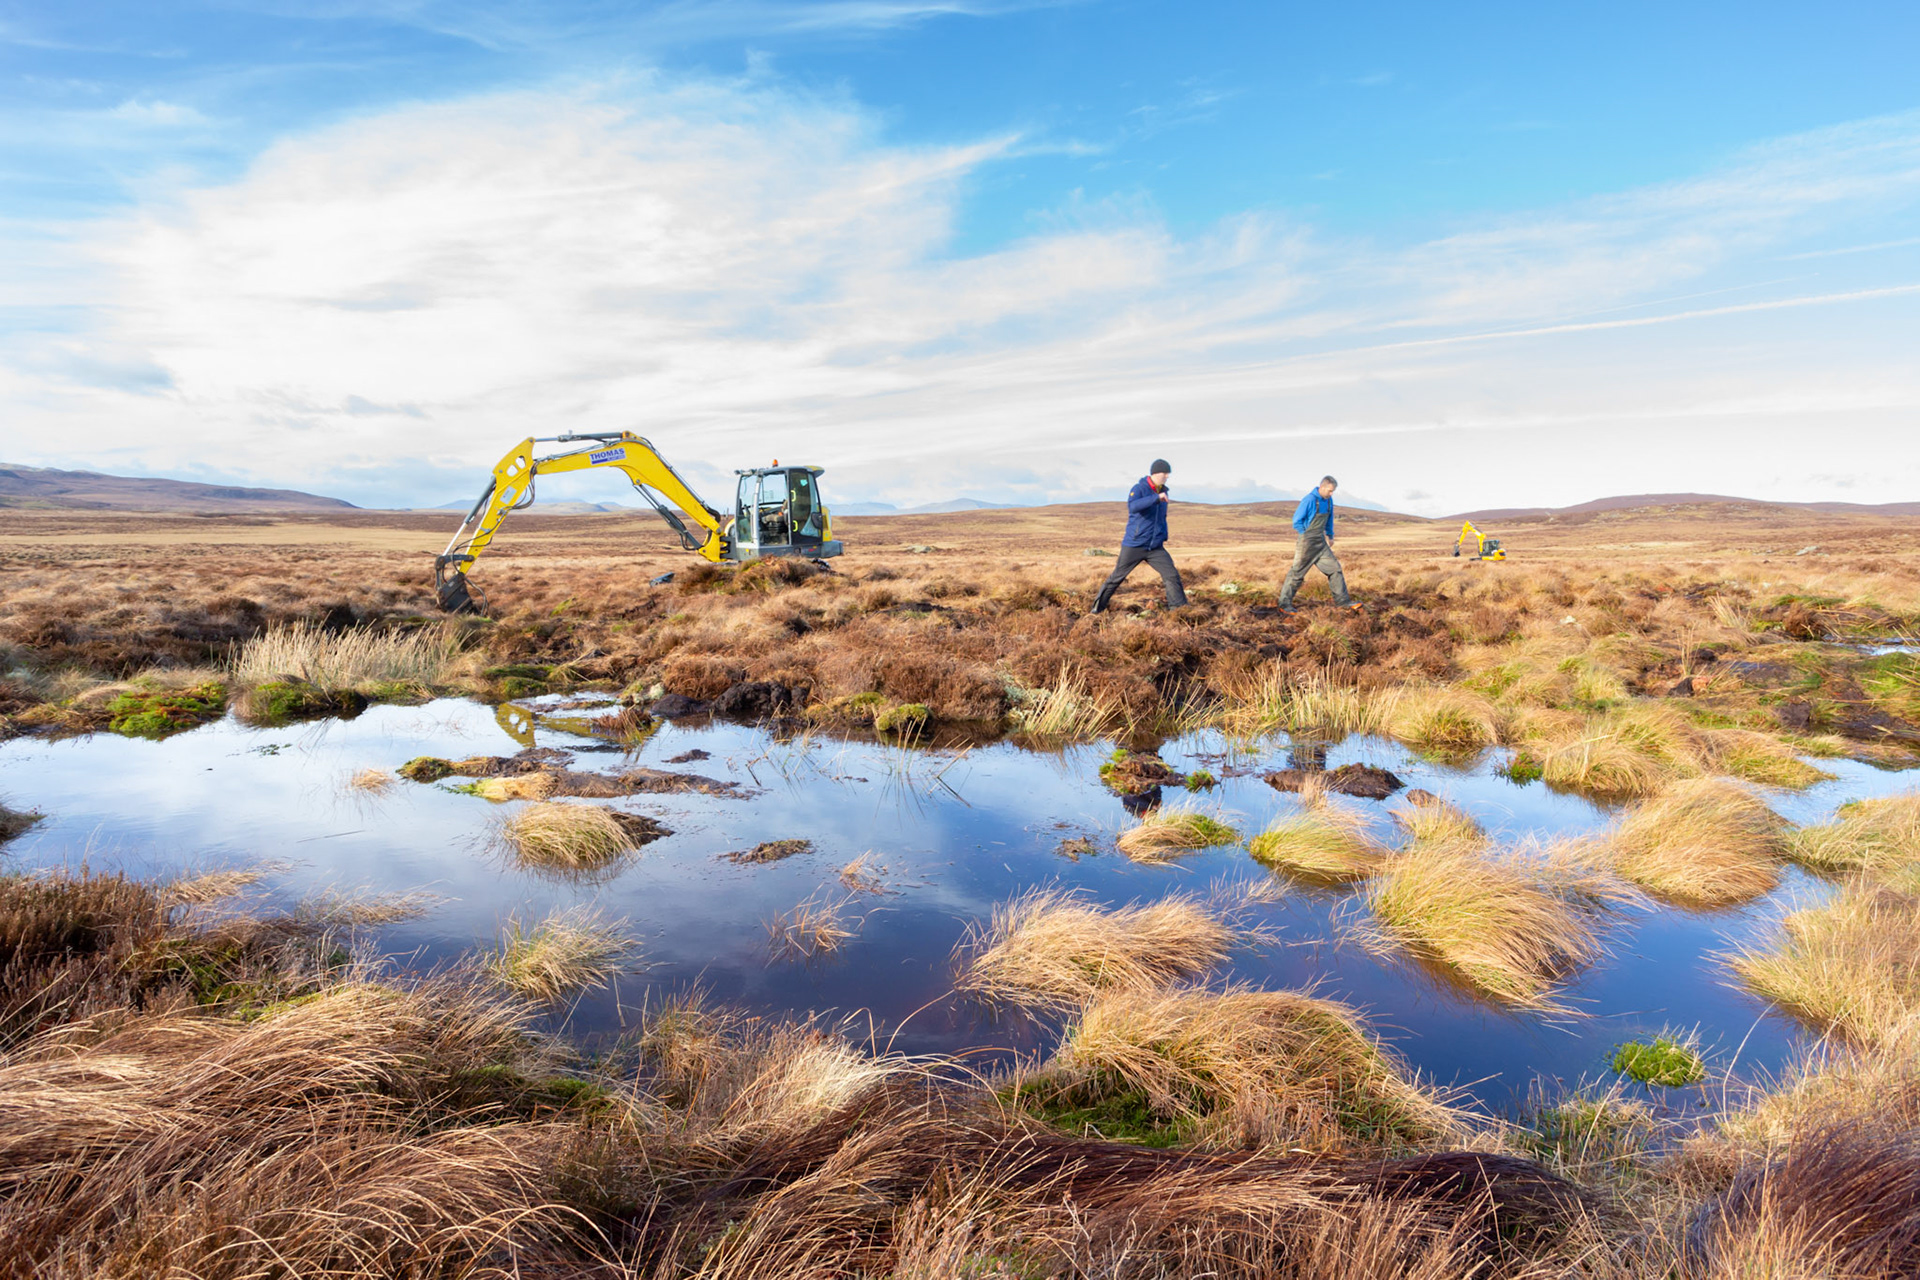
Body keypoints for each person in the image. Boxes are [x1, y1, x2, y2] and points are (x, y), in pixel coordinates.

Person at [1090, 460, 1188, 614]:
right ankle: (1097, 608)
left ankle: (1179, 610)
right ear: (1155, 473)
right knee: (1117, 577)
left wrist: (1163, 534)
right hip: (1134, 545)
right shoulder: (1139, 489)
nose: (1167, 476)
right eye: (1165, 473)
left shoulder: (1164, 491)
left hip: (1155, 547)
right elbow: (1133, 507)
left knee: (1171, 574)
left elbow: (1160, 517)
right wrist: (1156, 498)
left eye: (1168, 473)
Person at [1277, 475, 1360, 611]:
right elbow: (1296, 521)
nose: (1331, 493)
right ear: (1322, 487)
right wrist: (1305, 535)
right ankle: (1284, 605)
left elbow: (1329, 519)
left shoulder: (1328, 501)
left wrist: (1330, 535)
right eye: (1330, 491)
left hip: (1321, 543)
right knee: (1297, 573)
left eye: (1333, 491)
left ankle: (1343, 602)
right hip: (1307, 543)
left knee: (1335, 570)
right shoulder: (1309, 500)